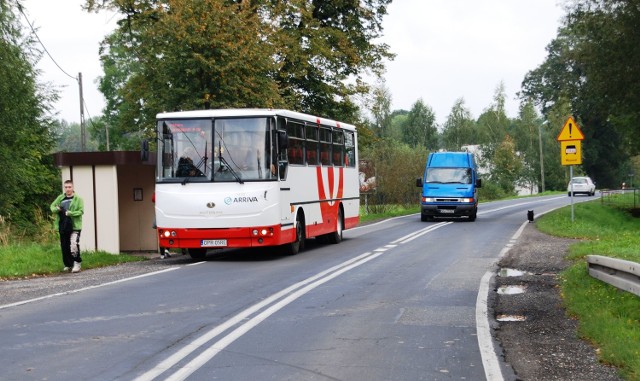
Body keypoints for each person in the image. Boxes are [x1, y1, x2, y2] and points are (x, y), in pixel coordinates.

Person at [50, 180, 84, 273]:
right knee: (64, 246)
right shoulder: (60, 198)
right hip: (63, 225)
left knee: (73, 244)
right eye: (66, 187)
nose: (67, 189)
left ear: (73, 188)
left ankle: (77, 262)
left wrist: (70, 213)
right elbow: (52, 207)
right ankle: (68, 264)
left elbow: (81, 212)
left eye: (69, 187)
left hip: (74, 226)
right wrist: (56, 209)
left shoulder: (78, 199)